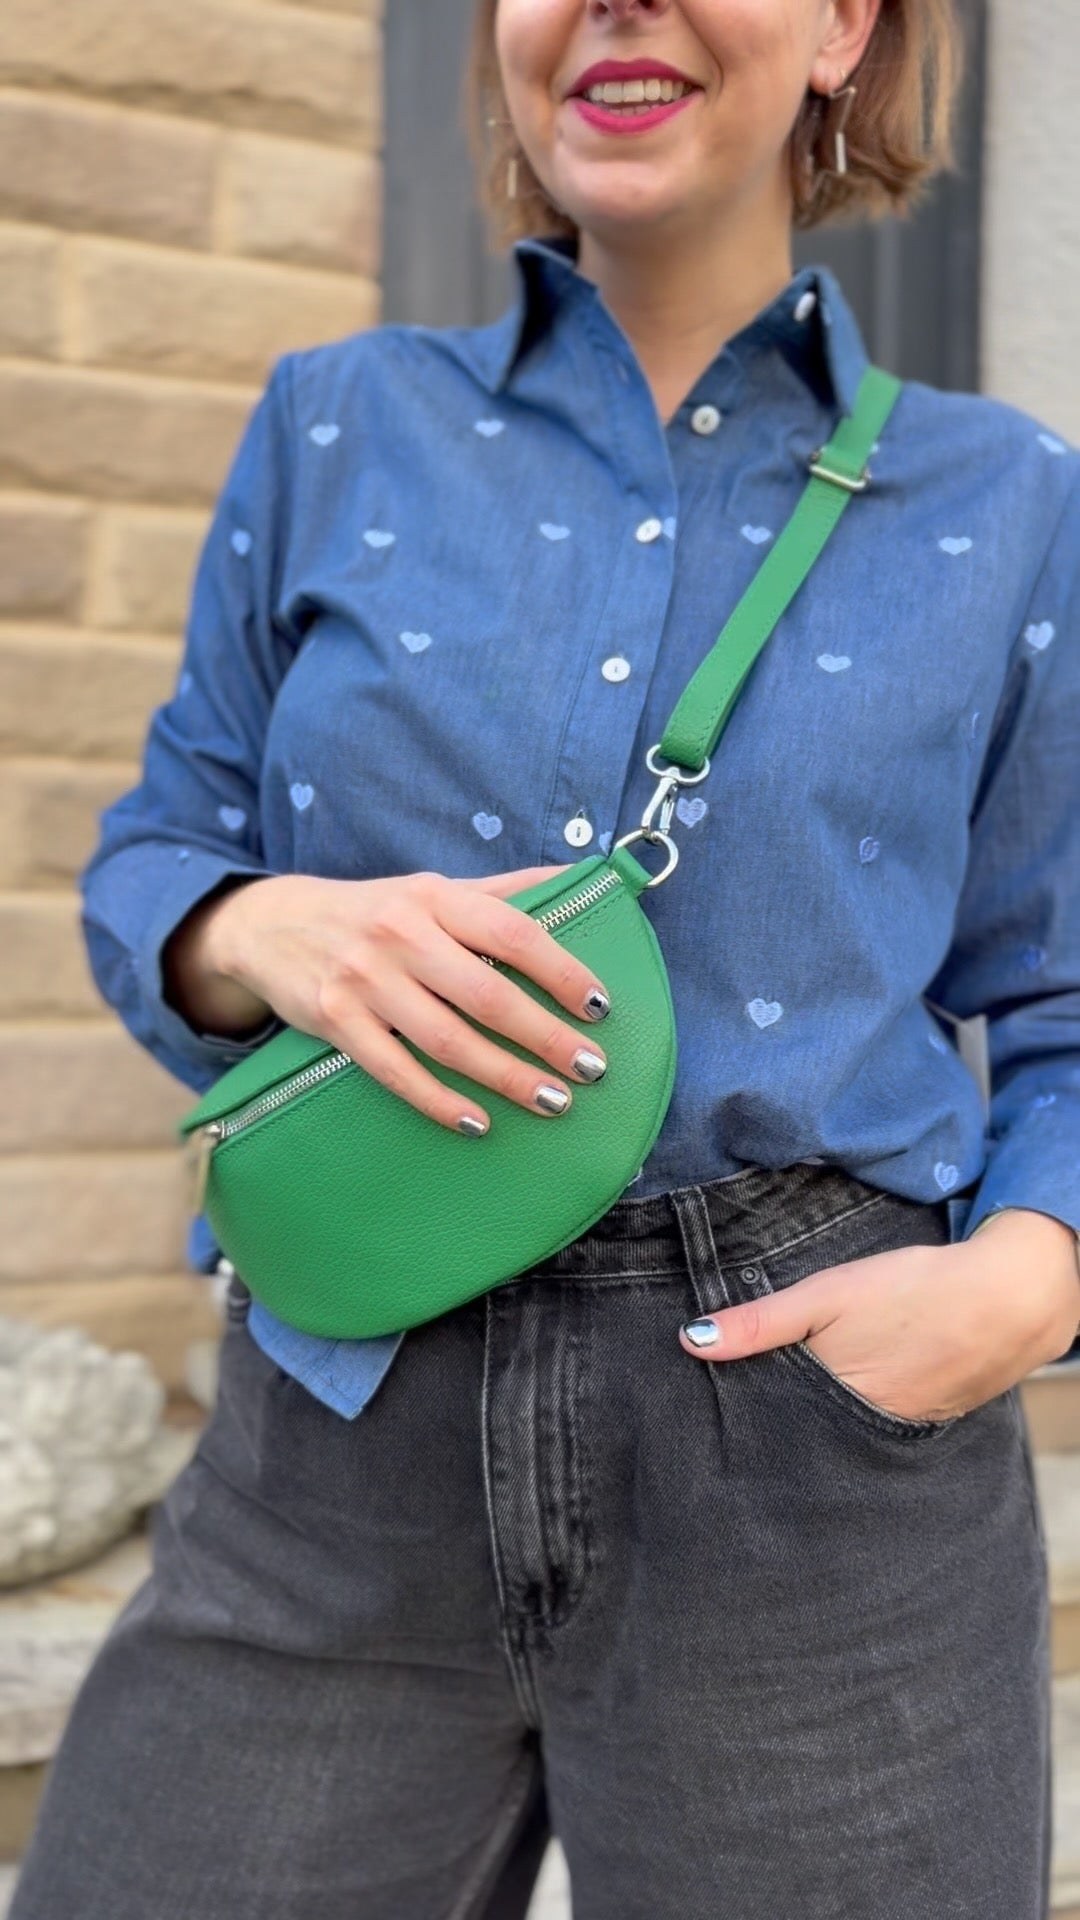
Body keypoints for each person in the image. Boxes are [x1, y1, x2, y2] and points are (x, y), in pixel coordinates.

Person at [11, 0, 1080, 1914]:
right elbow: (159, 850)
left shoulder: (1012, 507)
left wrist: (1022, 1280)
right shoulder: (335, 423)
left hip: (810, 1456)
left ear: (847, 30)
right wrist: (260, 925)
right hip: (338, 1433)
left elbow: (1070, 995)